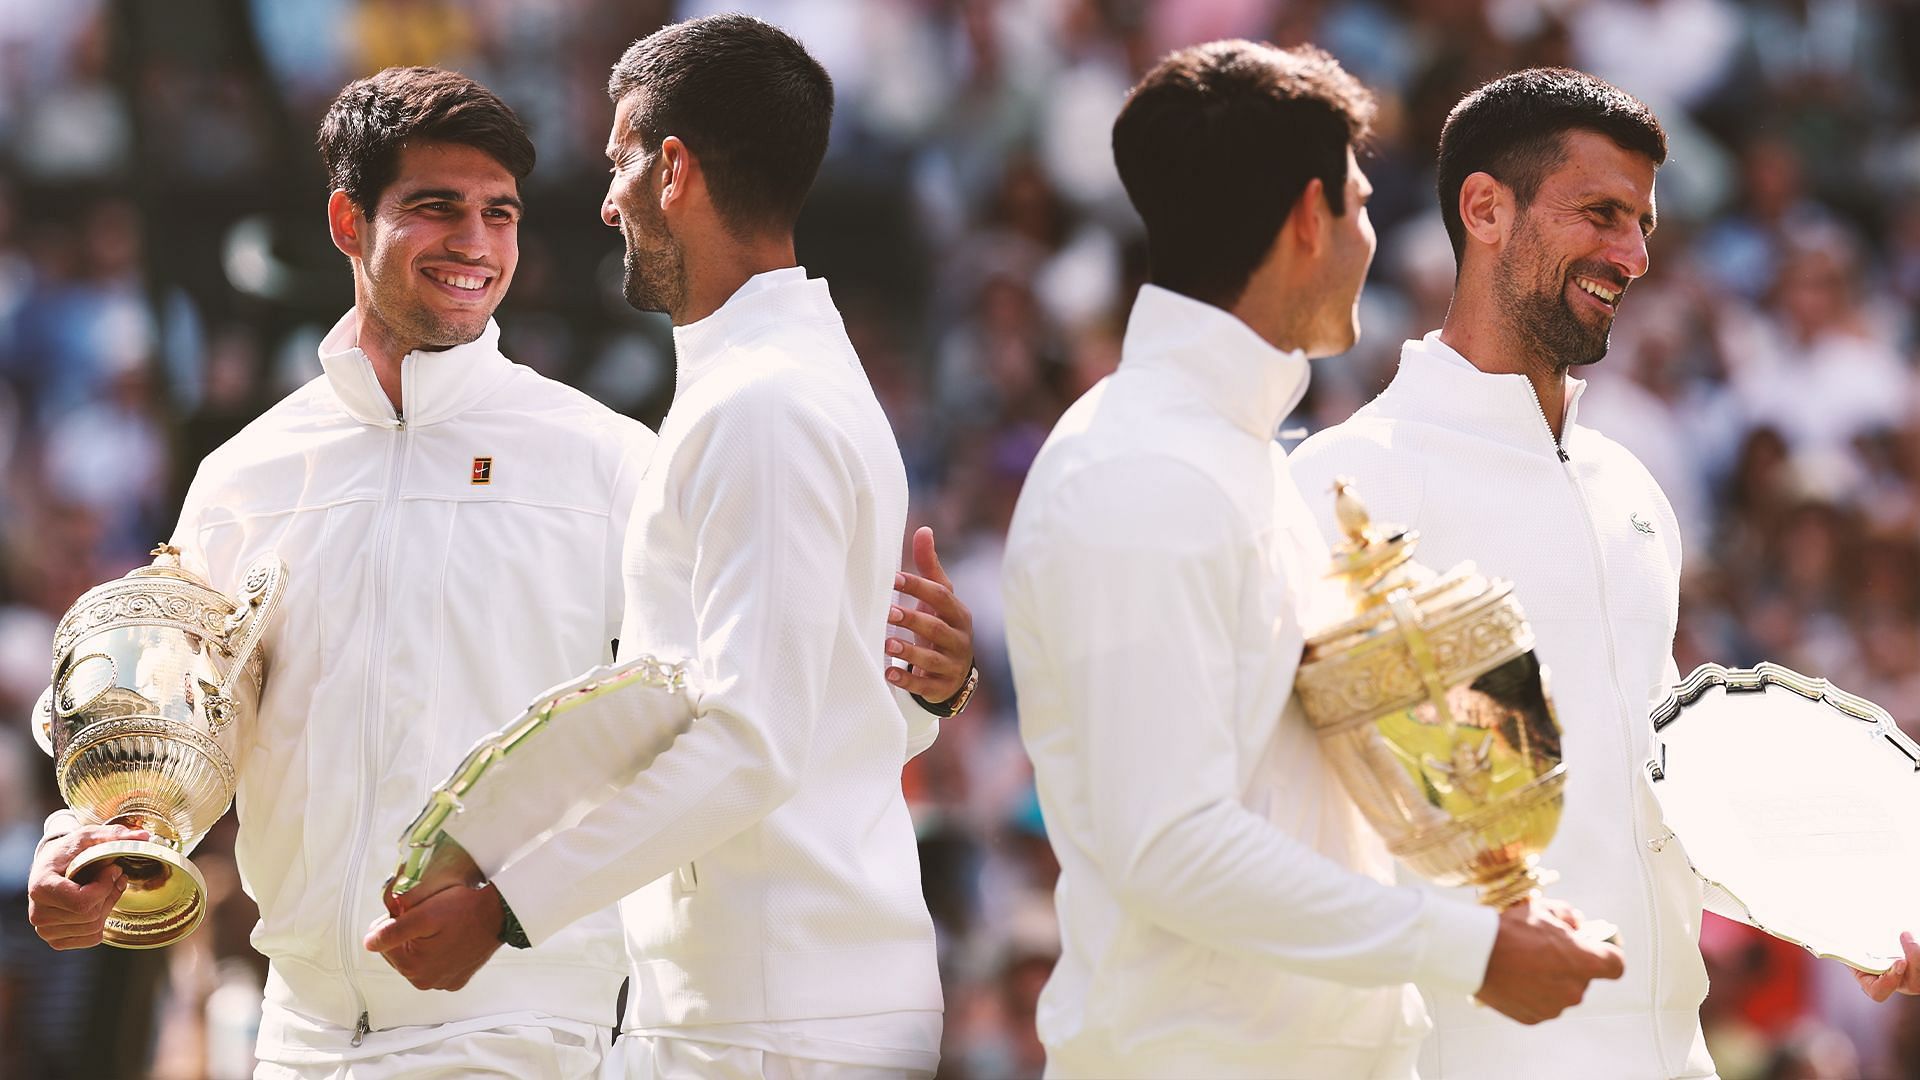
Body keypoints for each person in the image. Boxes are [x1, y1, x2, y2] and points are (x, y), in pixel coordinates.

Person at [25, 65, 973, 1079]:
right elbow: (189, 750)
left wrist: (928, 687)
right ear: (349, 220)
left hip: (527, 1042)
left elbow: (766, 714)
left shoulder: (613, 462)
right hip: (295, 1039)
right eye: (437, 208)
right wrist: (98, 844)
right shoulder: (242, 479)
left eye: (500, 213)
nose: (475, 243)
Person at [998, 42, 1623, 1079]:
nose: (1372, 238)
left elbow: (1291, 807)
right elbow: (1169, 845)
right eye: (1362, 204)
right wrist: (1466, 950)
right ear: (1306, 219)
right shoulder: (1143, 472)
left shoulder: (1235, 458)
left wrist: (1489, 895)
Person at [361, 17, 957, 1078]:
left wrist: (504, 908)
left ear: (670, 166)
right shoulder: (787, 377)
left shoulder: (762, 404)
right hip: (768, 1003)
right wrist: (925, 695)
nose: (605, 202)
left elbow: (754, 739)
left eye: (616, 161)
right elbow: (826, 713)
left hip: (768, 1022)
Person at [1288, 67, 1706, 1078]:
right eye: (1601, 214)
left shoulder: (1633, 488)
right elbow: (1297, 830)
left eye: (1643, 223)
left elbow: (1656, 796)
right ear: (1485, 208)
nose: (1634, 253)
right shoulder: (1347, 484)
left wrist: (1856, 910)